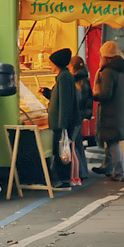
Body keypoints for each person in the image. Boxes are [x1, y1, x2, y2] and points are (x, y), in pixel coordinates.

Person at [92, 40, 124, 181]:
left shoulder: (108, 72)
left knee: (112, 142)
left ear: (106, 56)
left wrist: (92, 96)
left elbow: (105, 94)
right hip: (118, 111)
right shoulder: (121, 70)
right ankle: (107, 166)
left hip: (111, 112)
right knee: (110, 141)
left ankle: (119, 173)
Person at [46, 47, 81, 189]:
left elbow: (65, 103)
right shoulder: (64, 77)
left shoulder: (64, 78)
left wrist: (63, 125)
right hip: (61, 122)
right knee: (61, 150)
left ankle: (63, 178)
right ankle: (63, 178)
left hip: (61, 123)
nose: (50, 65)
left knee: (60, 151)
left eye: (51, 63)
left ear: (57, 63)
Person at [70, 55, 93, 181]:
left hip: (77, 115)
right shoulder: (84, 79)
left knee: (75, 145)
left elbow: (77, 100)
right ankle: (83, 171)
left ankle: (80, 173)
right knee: (78, 145)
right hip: (82, 114)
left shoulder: (78, 81)